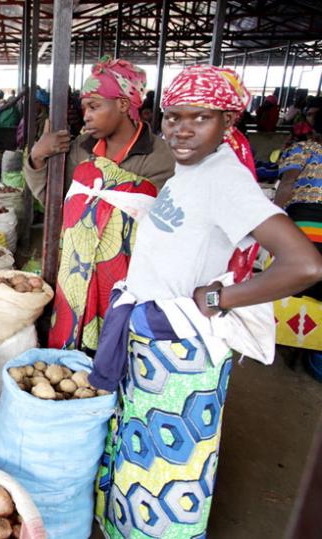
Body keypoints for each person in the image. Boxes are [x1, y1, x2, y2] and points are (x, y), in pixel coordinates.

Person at [92, 65, 322, 539]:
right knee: (140, 458)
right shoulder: (188, 172)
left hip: (182, 354)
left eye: (201, 117)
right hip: (153, 341)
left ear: (228, 123)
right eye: (174, 116)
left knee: (167, 472)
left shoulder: (226, 180)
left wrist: (219, 297)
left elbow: (304, 264)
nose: (182, 128)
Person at [26, 58, 175, 353]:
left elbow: (161, 226)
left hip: (127, 276)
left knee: (116, 344)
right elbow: (56, 205)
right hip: (75, 272)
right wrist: (38, 157)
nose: (87, 116)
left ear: (122, 104)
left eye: (94, 107)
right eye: (85, 108)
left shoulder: (159, 157)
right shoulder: (80, 149)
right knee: (72, 347)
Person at [274, 108, 322, 299]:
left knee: (295, 281)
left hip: (304, 220)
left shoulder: (302, 149)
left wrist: (274, 216)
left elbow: (287, 184)